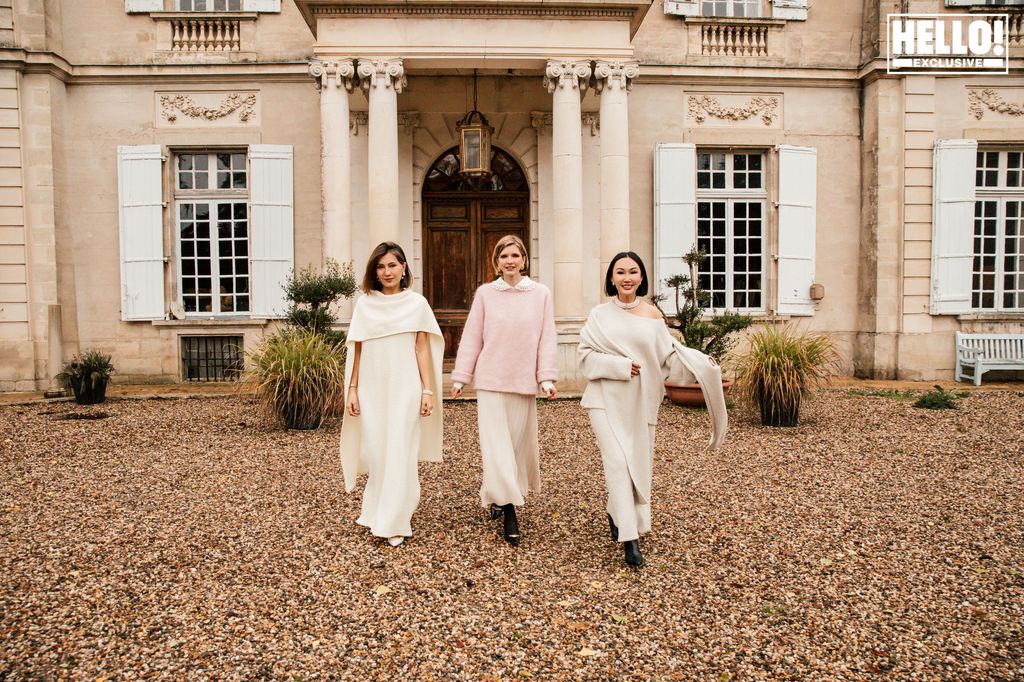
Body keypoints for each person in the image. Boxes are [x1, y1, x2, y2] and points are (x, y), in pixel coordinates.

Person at [578, 251, 728, 567]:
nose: (627, 277)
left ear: (642, 277)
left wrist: (703, 366)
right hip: (604, 398)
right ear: (611, 278)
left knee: (635, 463)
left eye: (633, 271)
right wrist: (619, 366)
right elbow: (585, 358)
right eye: (620, 272)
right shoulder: (598, 315)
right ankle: (629, 539)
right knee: (618, 462)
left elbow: (669, 360)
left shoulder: (653, 316)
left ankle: (615, 510)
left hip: (641, 402)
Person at [450, 235, 557, 546]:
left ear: (524, 259)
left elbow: (546, 337)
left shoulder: (541, 294)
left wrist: (546, 377)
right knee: (495, 447)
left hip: (523, 383)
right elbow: (472, 337)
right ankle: (510, 509)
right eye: (503, 256)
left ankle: (496, 494)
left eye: (515, 255)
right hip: (491, 382)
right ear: (495, 262)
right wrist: (460, 377)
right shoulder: (486, 294)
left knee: (514, 446)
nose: (510, 261)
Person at [339, 242, 444, 547]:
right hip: (372, 387)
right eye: (380, 266)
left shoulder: (417, 304)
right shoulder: (365, 304)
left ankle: (396, 519)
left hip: (405, 387)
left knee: (401, 449)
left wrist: (427, 390)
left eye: (392, 265)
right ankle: (375, 511)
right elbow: (357, 349)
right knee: (377, 450)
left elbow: (421, 348)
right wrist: (353, 390)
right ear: (374, 271)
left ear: (404, 268)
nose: (387, 272)